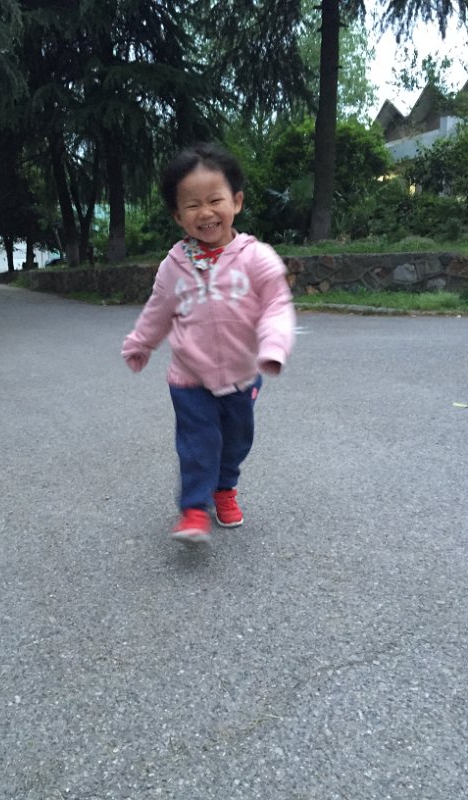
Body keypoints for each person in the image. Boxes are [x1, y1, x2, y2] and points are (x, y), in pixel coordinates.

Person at [121, 142, 295, 544]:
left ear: (236, 202)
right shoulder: (173, 266)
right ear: (177, 215)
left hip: (242, 374)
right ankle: (194, 509)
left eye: (215, 200)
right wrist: (140, 342)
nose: (205, 212)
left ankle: (224, 488)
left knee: (235, 441)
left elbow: (276, 306)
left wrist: (273, 346)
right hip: (189, 376)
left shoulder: (257, 258)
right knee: (198, 441)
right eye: (192, 205)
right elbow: (158, 309)